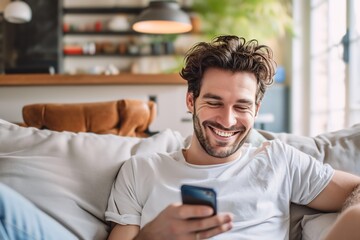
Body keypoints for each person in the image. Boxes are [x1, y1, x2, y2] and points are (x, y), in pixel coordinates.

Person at [105, 35, 360, 240]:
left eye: (241, 107)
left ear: (256, 110)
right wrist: (152, 236)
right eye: (214, 102)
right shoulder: (140, 171)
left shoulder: (279, 160)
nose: (227, 120)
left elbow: (356, 189)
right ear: (190, 101)